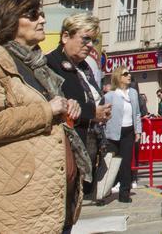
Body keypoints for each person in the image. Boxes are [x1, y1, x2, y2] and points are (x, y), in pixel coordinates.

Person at [0, 0, 87, 233]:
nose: (42, 21)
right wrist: (47, 110)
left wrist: (68, 109)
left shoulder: (37, 66)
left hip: (49, 197)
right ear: (9, 22)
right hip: (15, 201)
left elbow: (47, 112)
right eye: (33, 16)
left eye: (42, 15)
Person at [45, 13, 111, 201]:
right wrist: (92, 112)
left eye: (93, 40)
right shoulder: (51, 63)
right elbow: (58, 101)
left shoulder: (85, 67)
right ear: (66, 36)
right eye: (85, 39)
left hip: (90, 144)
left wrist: (103, 111)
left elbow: (92, 97)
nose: (90, 45)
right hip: (66, 147)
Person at [102, 67, 142, 203]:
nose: (129, 75)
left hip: (129, 132)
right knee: (109, 164)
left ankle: (124, 194)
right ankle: (102, 193)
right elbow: (104, 115)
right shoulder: (110, 95)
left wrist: (138, 131)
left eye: (129, 73)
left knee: (126, 164)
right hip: (112, 133)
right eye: (125, 74)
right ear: (119, 77)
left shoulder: (133, 93)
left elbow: (137, 113)